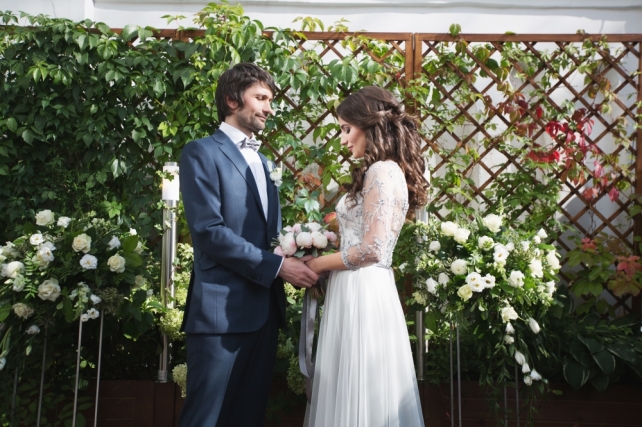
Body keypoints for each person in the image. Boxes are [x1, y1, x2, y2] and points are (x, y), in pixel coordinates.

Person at [179, 62, 319, 427]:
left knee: (248, 417)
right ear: (231, 100)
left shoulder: (264, 160)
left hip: (264, 311)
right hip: (221, 313)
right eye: (261, 98)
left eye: (270, 99)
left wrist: (301, 251)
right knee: (206, 418)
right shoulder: (200, 152)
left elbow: (267, 234)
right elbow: (209, 231)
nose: (269, 108)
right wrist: (279, 266)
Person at [303, 86, 429, 427]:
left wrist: (316, 264)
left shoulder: (381, 171)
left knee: (357, 387)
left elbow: (372, 249)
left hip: (362, 290)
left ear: (369, 124)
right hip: (363, 286)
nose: (343, 139)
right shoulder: (388, 170)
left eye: (347, 129)